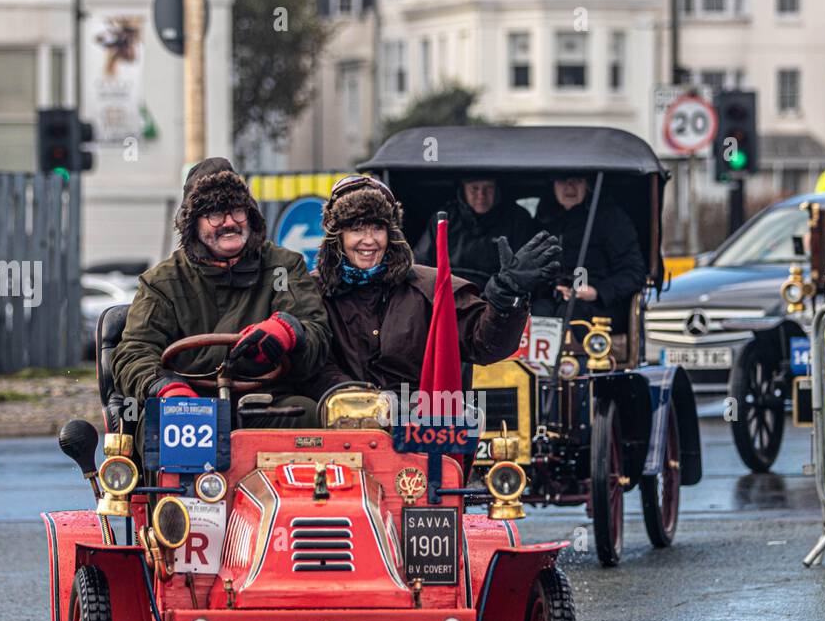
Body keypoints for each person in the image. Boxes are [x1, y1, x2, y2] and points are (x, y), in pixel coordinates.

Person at [111, 157, 329, 425]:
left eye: (237, 210)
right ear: (193, 224)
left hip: (266, 400)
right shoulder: (162, 281)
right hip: (188, 404)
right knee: (161, 425)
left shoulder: (284, 266)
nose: (229, 222)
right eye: (215, 214)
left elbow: (316, 333)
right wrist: (166, 388)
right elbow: (134, 352)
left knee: (307, 413)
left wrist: (289, 332)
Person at [312, 174, 560, 396]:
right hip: (341, 428)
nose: (369, 240)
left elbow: (485, 344)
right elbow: (309, 365)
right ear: (338, 236)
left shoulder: (429, 287)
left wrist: (508, 293)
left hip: (419, 431)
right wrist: (355, 400)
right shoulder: (313, 291)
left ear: (391, 234)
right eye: (356, 228)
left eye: (378, 228)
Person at [531, 174, 646, 337]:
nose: (569, 187)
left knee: (571, 315)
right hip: (551, 301)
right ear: (554, 184)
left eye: (577, 180)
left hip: (598, 304)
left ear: (587, 184)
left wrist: (597, 292)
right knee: (536, 313)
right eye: (563, 180)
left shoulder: (611, 218)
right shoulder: (545, 220)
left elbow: (634, 273)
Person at [412, 177, 537, 288]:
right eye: (474, 188)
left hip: (497, 300)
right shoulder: (443, 219)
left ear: (497, 189)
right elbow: (422, 262)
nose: (481, 195)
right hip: (450, 294)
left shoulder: (517, 220)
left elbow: (524, 271)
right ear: (463, 190)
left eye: (488, 188)